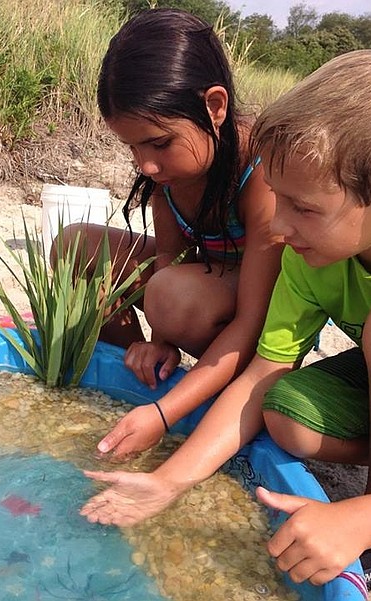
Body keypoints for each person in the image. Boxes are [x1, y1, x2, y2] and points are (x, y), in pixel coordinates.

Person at [80, 49, 371, 589]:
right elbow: (263, 373)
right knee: (284, 416)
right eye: (278, 200)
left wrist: (362, 517)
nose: (278, 226)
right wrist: (170, 481)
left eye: (303, 208)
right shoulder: (311, 252)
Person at [60, 8, 281, 458]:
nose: (145, 164)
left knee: (175, 296)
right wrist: (157, 341)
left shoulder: (263, 171)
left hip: (261, 314)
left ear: (214, 107)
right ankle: (136, 372)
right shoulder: (168, 177)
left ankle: (198, 394)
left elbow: (254, 318)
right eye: (132, 146)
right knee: (75, 245)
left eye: (159, 143)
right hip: (199, 287)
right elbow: (167, 258)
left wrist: (165, 413)